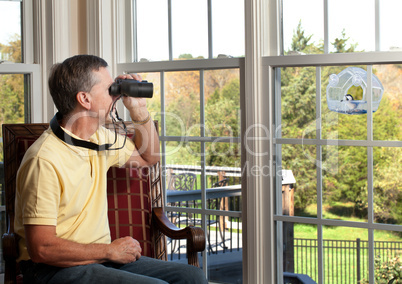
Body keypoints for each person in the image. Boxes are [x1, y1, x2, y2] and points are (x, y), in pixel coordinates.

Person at [14, 54, 207, 284]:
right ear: (84, 99)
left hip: (100, 258)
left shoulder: (98, 137)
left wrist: (138, 109)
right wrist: (108, 251)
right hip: (51, 269)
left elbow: (149, 157)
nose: (117, 94)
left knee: (191, 276)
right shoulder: (44, 159)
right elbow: (41, 248)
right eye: (110, 88)